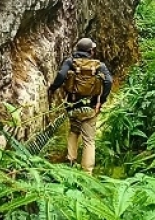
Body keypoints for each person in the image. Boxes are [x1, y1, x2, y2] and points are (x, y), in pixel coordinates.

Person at [47, 37, 113, 174]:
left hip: (73, 105)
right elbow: (109, 82)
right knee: (89, 140)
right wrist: (101, 101)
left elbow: (61, 75)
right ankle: (87, 173)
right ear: (91, 51)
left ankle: (70, 162)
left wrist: (52, 89)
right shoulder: (99, 65)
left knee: (74, 131)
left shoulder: (70, 62)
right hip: (90, 107)